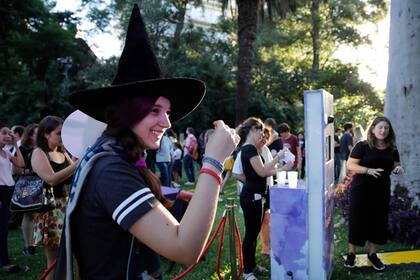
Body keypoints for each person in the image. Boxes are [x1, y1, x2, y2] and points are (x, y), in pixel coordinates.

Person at [55, 5, 239, 280]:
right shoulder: (110, 169)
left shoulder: (113, 156)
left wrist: (175, 200)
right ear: (127, 112)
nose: (166, 122)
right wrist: (213, 162)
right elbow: (184, 248)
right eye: (154, 110)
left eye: (167, 112)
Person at [344, 116, 403, 271]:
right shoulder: (362, 145)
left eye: (386, 128)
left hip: (381, 190)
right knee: (357, 220)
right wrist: (368, 170)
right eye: (380, 127)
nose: (383, 131)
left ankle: (372, 255)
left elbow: (396, 164)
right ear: (373, 128)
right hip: (361, 189)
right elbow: (350, 165)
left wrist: (398, 168)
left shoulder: (392, 148)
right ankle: (351, 254)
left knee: (378, 221)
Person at [236, 117, 287, 280]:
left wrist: (281, 168)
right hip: (251, 197)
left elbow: (262, 171)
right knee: (251, 234)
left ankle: (252, 265)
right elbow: (262, 172)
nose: (262, 133)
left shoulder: (253, 149)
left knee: (254, 233)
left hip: (258, 196)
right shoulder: (249, 149)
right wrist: (279, 160)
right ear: (252, 130)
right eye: (259, 129)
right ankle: (247, 271)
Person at [31, 116, 78, 280]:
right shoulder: (39, 153)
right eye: (59, 133)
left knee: (72, 256)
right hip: (51, 210)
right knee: (54, 260)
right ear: (46, 134)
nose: (63, 136)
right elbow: (51, 179)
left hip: (67, 206)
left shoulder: (62, 151)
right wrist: (76, 165)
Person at [0, 122, 28, 273]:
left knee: (4, 228)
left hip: (9, 190)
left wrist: (16, 146)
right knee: (3, 229)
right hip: (1, 191)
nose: (7, 136)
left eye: (8, 133)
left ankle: (4, 258)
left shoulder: (6, 152)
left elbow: (21, 164)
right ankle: (5, 263)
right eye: (3, 133)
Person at [18, 123, 39, 256]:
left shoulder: (42, 147)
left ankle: (34, 242)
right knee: (28, 214)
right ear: (30, 135)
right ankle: (28, 246)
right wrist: (33, 170)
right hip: (27, 184)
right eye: (38, 133)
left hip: (40, 183)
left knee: (36, 214)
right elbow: (17, 169)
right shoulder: (23, 148)